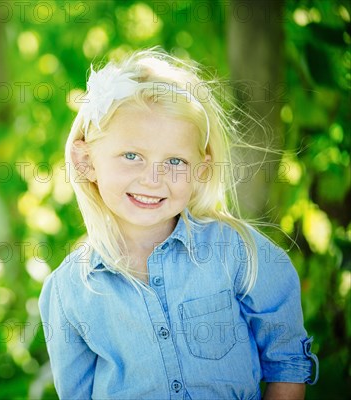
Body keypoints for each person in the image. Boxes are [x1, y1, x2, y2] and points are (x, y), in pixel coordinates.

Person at [38, 48, 318, 399]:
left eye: (174, 161)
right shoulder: (69, 290)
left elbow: (287, 359)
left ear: (200, 170)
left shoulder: (234, 252)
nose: (153, 179)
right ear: (85, 160)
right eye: (131, 156)